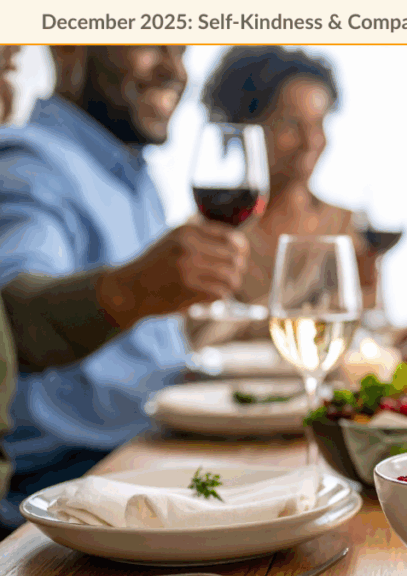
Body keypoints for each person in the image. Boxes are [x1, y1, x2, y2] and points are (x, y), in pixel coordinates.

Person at [0, 46, 249, 530]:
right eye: (149, 40)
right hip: (73, 479)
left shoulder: (134, 173)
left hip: (151, 453)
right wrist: (134, 290)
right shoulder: (32, 162)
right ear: (68, 45)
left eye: (181, 51)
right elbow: (12, 314)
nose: (176, 70)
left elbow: (142, 351)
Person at [187, 46, 379, 349]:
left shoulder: (349, 227)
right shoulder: (207, 233)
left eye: (319, 123)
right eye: (292, 124)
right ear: (248, 127)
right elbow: (194, 338)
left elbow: (369, 336)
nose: (311, 141)